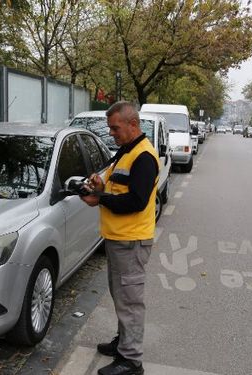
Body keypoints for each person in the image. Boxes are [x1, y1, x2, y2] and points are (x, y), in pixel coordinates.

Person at [80, 101, 160, 375]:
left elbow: (136, 201)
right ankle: (124, 343)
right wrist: (103, 186)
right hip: (118, 239)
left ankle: (131, 361)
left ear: (132, 124)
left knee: (130, 301)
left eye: (115, 128)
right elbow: (120, 187)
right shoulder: (127, 151)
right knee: (121, 297)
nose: (111, 133)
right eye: (110, 128)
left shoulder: (144, 157)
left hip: (131, 241)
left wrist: (100, 198)